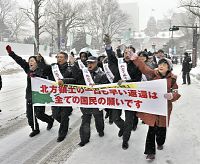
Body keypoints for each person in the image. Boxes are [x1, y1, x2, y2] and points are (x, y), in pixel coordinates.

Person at [130, 54, 181, 160]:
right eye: (160, 64)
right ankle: (150, 152)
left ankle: (160, 142)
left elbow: (176, 93)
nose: (161, 66)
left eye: (164, 64)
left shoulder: (172, 79)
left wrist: (172, 96)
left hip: (165, 108)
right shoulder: (153, 74)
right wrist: (136, 59)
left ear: (169, 67)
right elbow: (144, 68)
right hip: (153, 107)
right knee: (151, 128)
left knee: (162, 128)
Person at [6, 45, 54, 137]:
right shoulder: (28, 69)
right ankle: (35, 129)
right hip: (30, 95)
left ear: (37, 62)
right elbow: (19, 60)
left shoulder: (43, 70)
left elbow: (47, 72)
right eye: (29, 61)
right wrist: (11, 53)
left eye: (32, 61)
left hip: (40, 96)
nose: (30, 62)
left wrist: (40, 64)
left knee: (39, 114)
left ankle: (50, 120)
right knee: (30, 115)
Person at [104, 34, 142, 150]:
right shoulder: (119, 64)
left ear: (134, 55)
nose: (127, 54)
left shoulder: (137, 66)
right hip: (117, 95)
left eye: (130, 52)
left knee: (129, 120)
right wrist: (108, 45)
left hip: (130, 96)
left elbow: (137, 80)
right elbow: (111, 57)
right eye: (125, 52)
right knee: (115, 117)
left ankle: (125, 140)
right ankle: (123, 128)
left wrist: (125, 82)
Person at [71, 56, 109, 147]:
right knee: (85, 120)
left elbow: (106, 86)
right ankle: (84, 139)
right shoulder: (83, 73)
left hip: (96, 102)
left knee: (98, 118)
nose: (89, 64)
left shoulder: (102, 74)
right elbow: (75, 79)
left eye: (92, 62)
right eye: (88, 63)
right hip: (85, 101)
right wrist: (64, 80)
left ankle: (100, 131)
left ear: (96, 63)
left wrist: (96, 85)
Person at [42, 51, 76, 142]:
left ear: (65, 59)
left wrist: (64, 81)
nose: (59, 59)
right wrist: (41, 61)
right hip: (55, 95)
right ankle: (65, 124)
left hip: (66, 96)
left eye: (61, 57)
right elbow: (44, 71)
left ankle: (62, 134)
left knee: (64, 115)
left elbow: (75, 79)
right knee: (55, 115)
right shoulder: (53, 67)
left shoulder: (70, 69)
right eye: (58, 57)